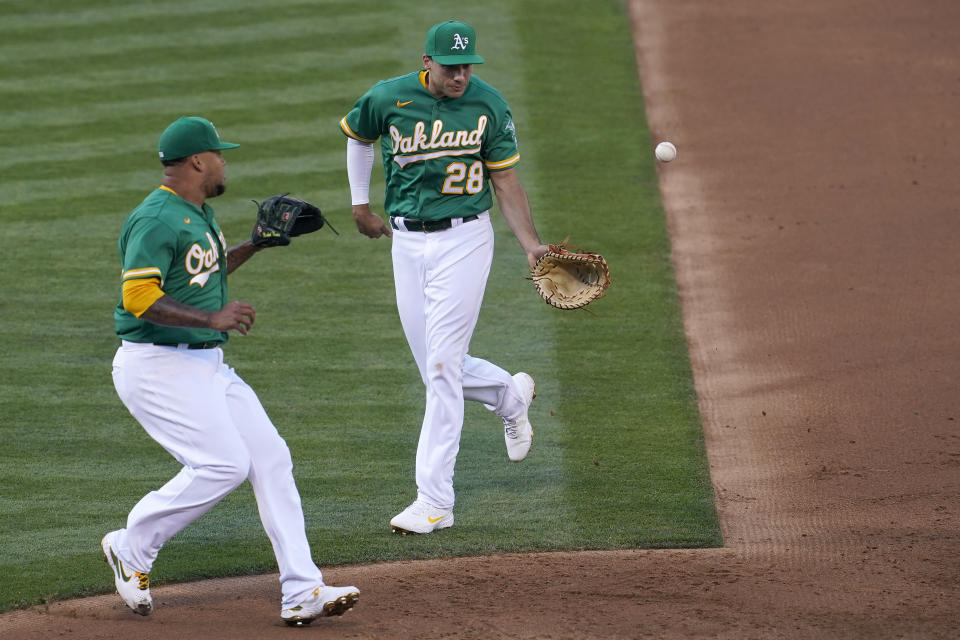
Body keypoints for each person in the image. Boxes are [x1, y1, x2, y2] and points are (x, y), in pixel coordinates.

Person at [103, 116, 359, 625]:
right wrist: (211, 318)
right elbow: (138, 297)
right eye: (220, 155)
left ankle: (302, 589)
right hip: (157, 364)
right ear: (198, 161)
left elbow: (204, 272)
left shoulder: (198, 213)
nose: (225, 162)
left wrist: (256, 244)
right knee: (224, 464)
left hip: (205, 364)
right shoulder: (155, 218)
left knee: (271, 459)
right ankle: (131, 545)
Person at [339, 20, 550, 534]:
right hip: (407, 243)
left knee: (440, 368)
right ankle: (510, 396)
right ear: (427, 61)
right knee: (439, 367)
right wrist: (360, 203)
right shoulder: (388, 98)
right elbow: (359, 138)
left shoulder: (488, 105)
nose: (460, 75)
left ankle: (434, 501)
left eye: (466, 66)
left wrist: (532, 246)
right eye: (451, 66)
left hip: (465, 240)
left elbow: (505, 179)